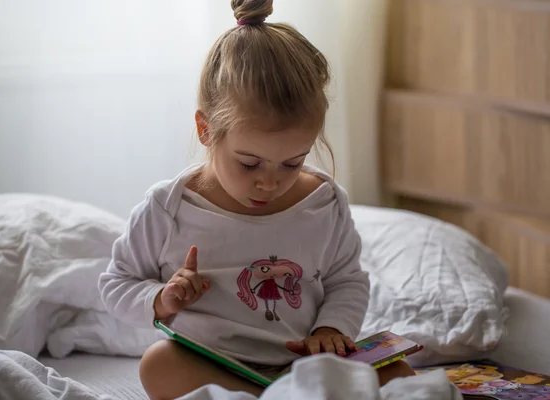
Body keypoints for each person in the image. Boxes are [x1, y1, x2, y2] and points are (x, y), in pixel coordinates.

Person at [98, 0, 415, 398]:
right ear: (206, 129)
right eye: (250, 164)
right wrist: (162, 298)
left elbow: (347, 281)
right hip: (216, 363)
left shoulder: (324, 203)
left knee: (401, 373)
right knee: (158, 365)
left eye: (292, 163)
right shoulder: (169, 208)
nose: (270, 183)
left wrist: (330, 330)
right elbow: (116, 284)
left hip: (304, 363)